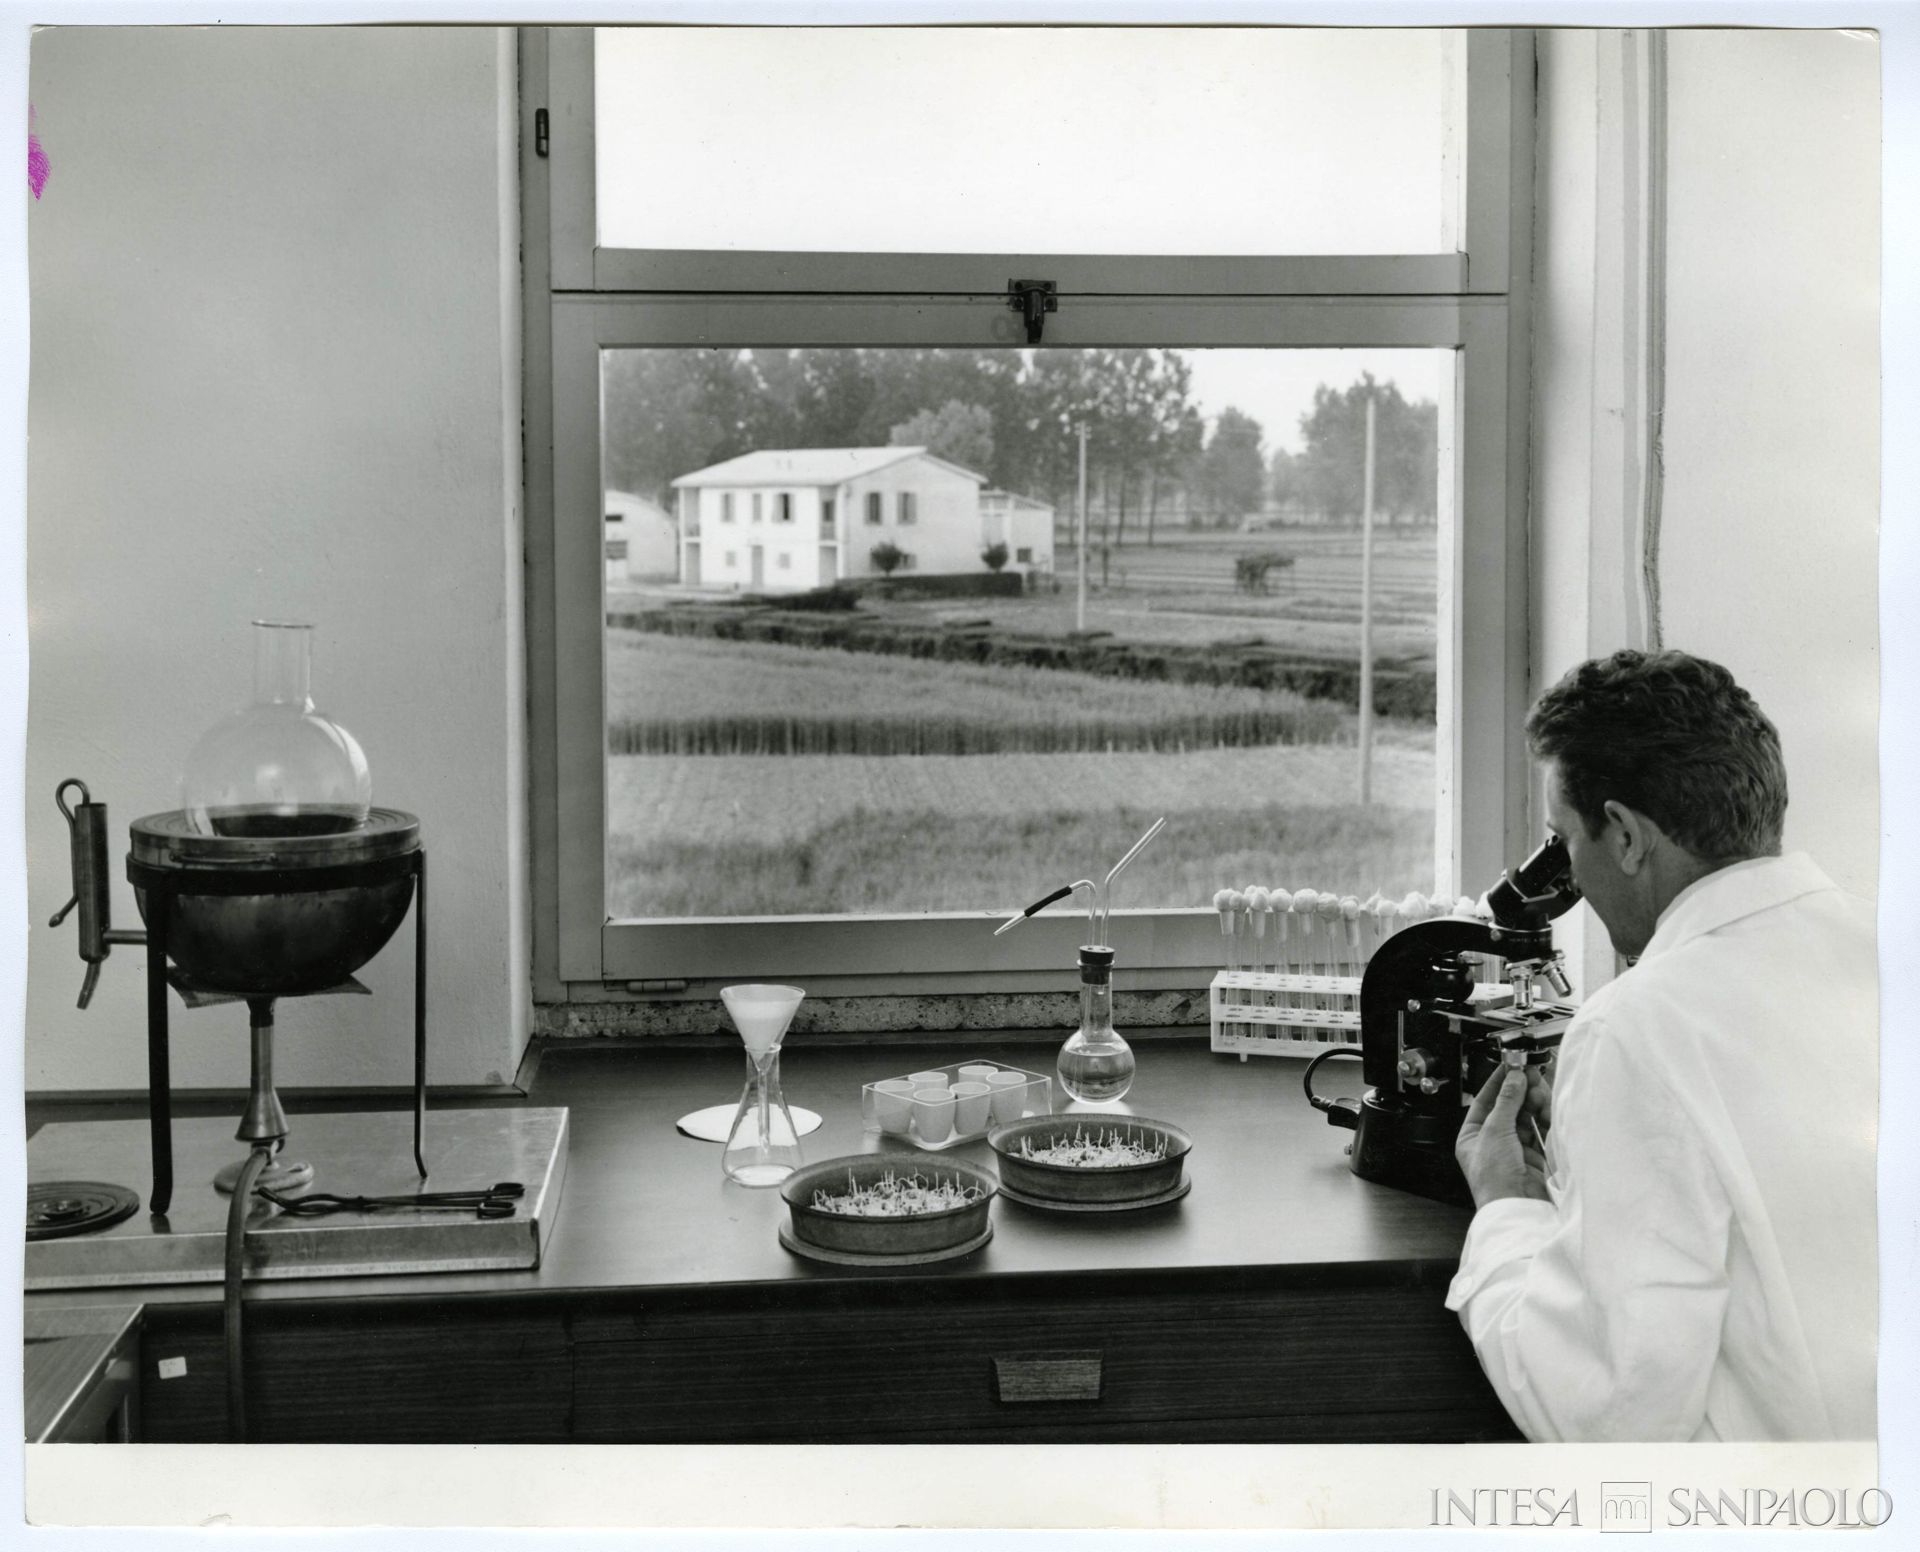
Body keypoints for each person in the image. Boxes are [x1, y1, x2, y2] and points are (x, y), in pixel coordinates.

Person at [1446, 649, 1877, 1442]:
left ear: (1626, 835)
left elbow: (1611, 1417)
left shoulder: (1635, 1027)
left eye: (1563, 839)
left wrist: (1506, 1205)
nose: (1566, 870)